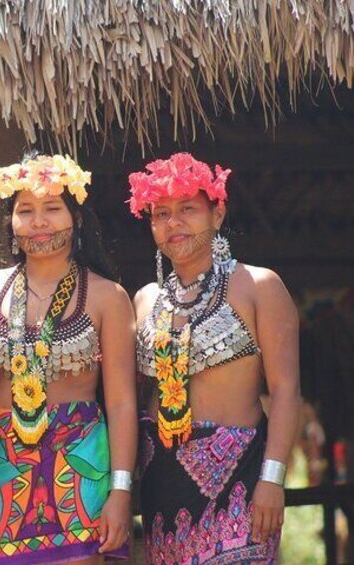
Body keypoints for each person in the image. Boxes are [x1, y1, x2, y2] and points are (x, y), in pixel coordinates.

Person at [0, 153, 137, 564]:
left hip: (80, 466)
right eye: (26, 210)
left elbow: (120, 402)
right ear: (11, 222)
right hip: (1, 466)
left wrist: (120, 490)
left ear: (76, 219)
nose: (39, 222)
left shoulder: (106, 296)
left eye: (52, 208)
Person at [128, 153, 301, 564]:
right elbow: (130, 401)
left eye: (188, 209)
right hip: (163, 485)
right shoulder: (145, 301)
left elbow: (287, 390)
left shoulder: (258, 286)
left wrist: (273, 479)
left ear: (218, 214)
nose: (174, 223)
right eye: (161, 213)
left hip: (240, 480)